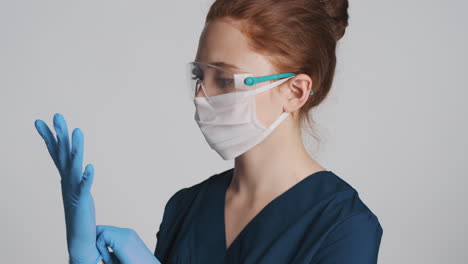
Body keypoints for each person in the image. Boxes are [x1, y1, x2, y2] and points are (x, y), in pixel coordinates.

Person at [34, 0, 383, 263]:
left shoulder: (344, 227)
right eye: (200, 76)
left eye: (226, 79)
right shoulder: (187, 207)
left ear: (294, 91)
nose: (203, 95)